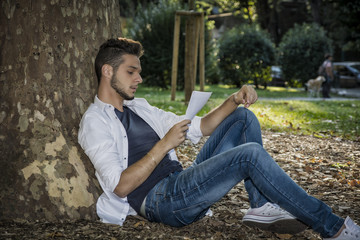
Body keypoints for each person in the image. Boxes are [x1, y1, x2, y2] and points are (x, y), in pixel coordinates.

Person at [78, 38, 360, 240]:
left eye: (138, 71)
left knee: (242, 118)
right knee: (249, 154)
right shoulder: (95, 121)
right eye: (131, 71)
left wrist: (234, 99)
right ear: (107, 71)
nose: (139, 78)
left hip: (181, 183)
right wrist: (163, 145)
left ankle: (261, 206)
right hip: (161, 201)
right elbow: (119, 186)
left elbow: (201, 126)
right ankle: (333, 228)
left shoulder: (139, 107)